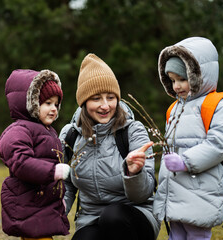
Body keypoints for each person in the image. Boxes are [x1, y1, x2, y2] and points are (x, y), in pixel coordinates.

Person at [59, 53, 160, 240]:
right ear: (84, 102)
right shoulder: (70, 135)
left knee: (112, 217)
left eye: (111, 97)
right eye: (96, 98)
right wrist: (59, 210)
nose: (105, 106)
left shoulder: (133, 131)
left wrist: (133, 173)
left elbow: (143, 194)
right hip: (91, 218)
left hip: (134, 214)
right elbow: (66, 181)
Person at [153, 37, 223, 240]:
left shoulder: (216, 105)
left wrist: (185, 161)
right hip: (175, 188)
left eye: (182, 79)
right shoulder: (174, 108)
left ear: (199, 75)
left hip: (200, 187)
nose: (177, 86)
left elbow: (219, 143)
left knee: (197, 233)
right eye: (172, 80)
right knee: (177, 233)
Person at [0, 69, 70, 240]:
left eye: (56, 104)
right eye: (47, 103)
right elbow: (20, 161)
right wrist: (53, 171)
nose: (53, 109)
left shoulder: (48, 131)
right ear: (30, 103)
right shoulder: (19, 130)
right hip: (28, 203)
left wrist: (58, 198)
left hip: (41, 203)